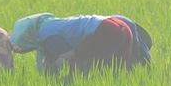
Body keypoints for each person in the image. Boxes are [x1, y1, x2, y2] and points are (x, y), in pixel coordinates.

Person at [9, 13, 137, 74]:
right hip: (122, 26)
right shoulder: (54, 24)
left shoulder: (45, 34)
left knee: (81, 66)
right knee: (120, 74)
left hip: (104, 30)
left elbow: (69, 56)